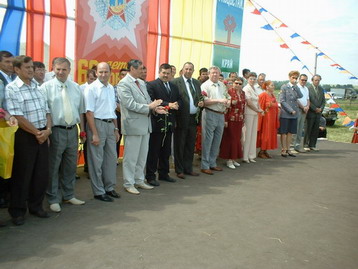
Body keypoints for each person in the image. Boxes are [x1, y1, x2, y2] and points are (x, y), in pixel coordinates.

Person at [5, 55, 52, 225]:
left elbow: (47, 111)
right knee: (22, 174)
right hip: (25, 135)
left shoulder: (38, 87)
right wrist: (37, 133)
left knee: (41, 174)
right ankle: (17, 211)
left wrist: (47, 130)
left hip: (42, 133)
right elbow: (18, 116)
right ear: (17, 70)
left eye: (32, 67)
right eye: (27, 67)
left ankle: (36, 206)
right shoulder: (12, 89)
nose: (31, 70)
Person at [41, 57, 86, 213]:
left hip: (72, 130)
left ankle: (69, 194)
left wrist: (82, 130)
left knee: (70, 165)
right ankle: (53, 198)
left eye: (64, 69)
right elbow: (44, 112)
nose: (60, 72)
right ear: (52, 69)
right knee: (53, 166)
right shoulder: (45, 88)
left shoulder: (75, 87)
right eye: (58, 69)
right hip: (55, 131)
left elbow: (80, 111)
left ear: (69, 70)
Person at [117, 59, 166, 195]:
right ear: (132, 69)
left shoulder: (142, 83)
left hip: (145, 124)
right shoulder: (123, 84)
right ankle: (129, 182)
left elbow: (147, 101)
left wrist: (156, 109)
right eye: (140, 69)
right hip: (133, 125)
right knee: (131, 157)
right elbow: (130, 104)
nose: (142, 71)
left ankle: (139, 180)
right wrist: (150, 107)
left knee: (142, 156)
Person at [84, 62, 120, 202]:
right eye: (100, 72)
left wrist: (116, 129)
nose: (103, 74)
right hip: (97, 125)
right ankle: (99, 191)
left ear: (110, 73)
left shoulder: (111, 88)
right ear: (96, 73)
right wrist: (94, 133)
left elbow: (113, 110)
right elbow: (89, 112)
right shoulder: (91, 89)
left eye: (106, 72)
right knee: (96, 161)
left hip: (110, 125)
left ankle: (109, 188)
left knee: (111, 159)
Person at [145, 63, 181, 185]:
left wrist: (176, 104)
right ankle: (150, 176)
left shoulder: (173, 86)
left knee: (166, 151)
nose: (166, 75)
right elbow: (152, 101)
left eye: (168, 73)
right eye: (163, 73)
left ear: (171, 73)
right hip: (157, 122)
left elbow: (179, 99)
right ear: (159, 72)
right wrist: (168, 104)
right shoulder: (151, 85)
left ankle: (164, 174)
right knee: (154, 151)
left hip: (170, 122)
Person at [172, 62, 203, 179]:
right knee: (180, 145)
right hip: (181, 118)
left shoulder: (196, 82)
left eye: (190, 69)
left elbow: (199, 96)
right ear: (182, 70)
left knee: (190, 145)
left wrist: (201, 102)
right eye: (186, 69)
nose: (188, 71)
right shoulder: (175, 82)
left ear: (193, 71)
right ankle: (179, 170)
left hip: (193, 119)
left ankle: (188, 168)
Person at [200, 66, 230, 175]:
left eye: (217, 73)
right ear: (209, 74)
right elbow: (205, 101)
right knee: (207, 140)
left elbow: (228, 96)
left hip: (220, 114)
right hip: (209, 113)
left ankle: (212, 163)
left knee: (217, 140)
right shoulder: (205, 85)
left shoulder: (222, 85)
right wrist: (219, 100)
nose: (215, 75)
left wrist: (228, 102)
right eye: (213, 73)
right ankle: (205, 165)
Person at [0, 50, 16, 210]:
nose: (10, 65)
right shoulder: (1, 79)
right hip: (3, 128)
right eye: (7, 62)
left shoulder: (10, 78)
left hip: (9, 129)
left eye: (12, 62)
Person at [219, 77, 245, 169]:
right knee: (231, 139)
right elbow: (225, 107)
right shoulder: (229, 92)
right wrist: (225, 120)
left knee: (237, 139)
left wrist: (243, 118)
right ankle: (229, 160)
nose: (238, 85)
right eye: (236, 83)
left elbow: (243, 106)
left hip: (239, 119)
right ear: (233, 83)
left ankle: (234, 158)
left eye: (240, 83)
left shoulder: (243, 93)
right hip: (230, 119)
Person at [278, 71, 303, 157]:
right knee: (283, 132)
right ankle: (283, 149)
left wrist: (296, 87)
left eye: (296, 78)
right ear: (289, 77)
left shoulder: (296, 87)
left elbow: (301, 96)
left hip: (294, 114)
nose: (294, 79)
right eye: (293, 77)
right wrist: (290, 110)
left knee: (290, 132)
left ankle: (288, 149)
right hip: (286, 113)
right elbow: (282, 101)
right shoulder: (284, 87)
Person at [242, 72, 264, 163]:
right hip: (249, 113)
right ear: (247, 79)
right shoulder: (246, 88)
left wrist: (260, 109)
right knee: (247, 135)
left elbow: (257, 101)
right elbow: (249, 102)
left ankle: (251, 155)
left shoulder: (254, 88)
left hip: (255, 114)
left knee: (253, 135)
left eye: (254, 79)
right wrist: (257, 110)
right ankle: (245, 156)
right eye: (251, 78)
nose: (252, 80)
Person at [257, 80, 279, 158]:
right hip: (266, 118)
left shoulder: (273, 95)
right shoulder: (263, 95)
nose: (273, 87)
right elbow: (260, 107)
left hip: (272, 118)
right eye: (272, 85)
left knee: (270, 134)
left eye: (273, 85)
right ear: (267, 87)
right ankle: (261, 151)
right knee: (265, 134)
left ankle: (265, 150)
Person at [304, 74, 325, 151]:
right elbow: (307, 100)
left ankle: (312, 145)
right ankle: (305, 144)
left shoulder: (321, 89)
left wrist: (321, 109)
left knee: (315, 130)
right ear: (312, 80)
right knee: (308, 129)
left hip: (318, 113)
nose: (317, 81)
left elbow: (323, 101)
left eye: (318, 80)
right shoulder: (308, 88)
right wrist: (314, 108)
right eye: (316, 80)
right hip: (311, 112)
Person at [293, 74, 310, 153]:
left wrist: (307, 107)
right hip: (297, 109)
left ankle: (297, 146)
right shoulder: (296, 87)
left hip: (304, 110)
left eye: (305, 80)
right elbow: (296, 99)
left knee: (300, 129)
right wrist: (303, 107)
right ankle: (292, 147)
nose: (304, 81)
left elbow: (308, 99)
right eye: (302, 80)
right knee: (295, 128)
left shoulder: (306, 88)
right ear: (299, 79)